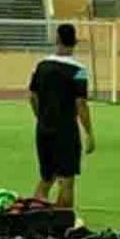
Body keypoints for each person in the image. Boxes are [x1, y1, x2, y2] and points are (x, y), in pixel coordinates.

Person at [29, 24, 95, 209]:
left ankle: (34, 222)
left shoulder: (42, 66)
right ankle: (62, 228)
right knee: (66, 181)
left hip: (43, 129)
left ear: (57, 39)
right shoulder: (79, 70)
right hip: (65, 131)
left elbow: (32, 97)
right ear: (74, 42)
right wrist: (89, 133)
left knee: (46, 178)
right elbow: (80, 104)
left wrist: (41, 117)